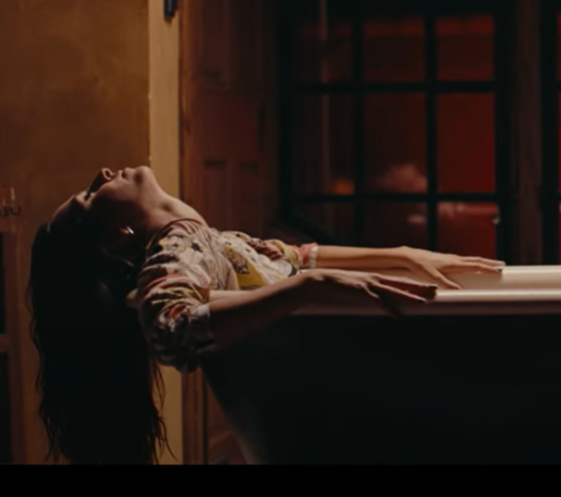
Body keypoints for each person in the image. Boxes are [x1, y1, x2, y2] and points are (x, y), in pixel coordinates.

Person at [27, 165, 504, 465]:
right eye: (90, 195)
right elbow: (170, 329)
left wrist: (402, 255)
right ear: (118, 236)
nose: (103, 173)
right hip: (318, 407)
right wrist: (306, 289)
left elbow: (297, 256)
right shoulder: (174, 253)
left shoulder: (202, 240)